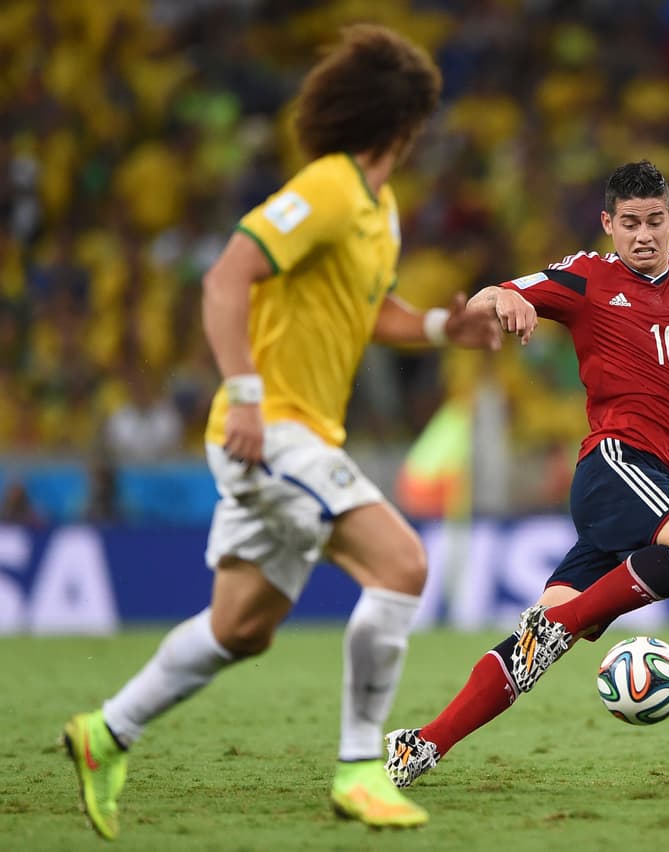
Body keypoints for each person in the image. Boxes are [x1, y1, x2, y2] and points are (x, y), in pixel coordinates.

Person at [61, 25, 499, 838]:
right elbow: (228, 274)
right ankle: (363, 767)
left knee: (242, 628)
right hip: (272, 432)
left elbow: (372, 313)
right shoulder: (329, 187)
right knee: (401, 564)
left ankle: (106, 732)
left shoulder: (379, 209)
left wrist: (447, 326)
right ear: (403, 122)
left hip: (302, 437)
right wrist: (250, 396)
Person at [384, 160, 669, 786]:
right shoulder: (586, 277)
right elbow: (490, 296)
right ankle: (557, 630)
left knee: (538, 641)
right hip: (616, 463)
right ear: (608, 224)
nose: (644, 235)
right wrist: (508, 296)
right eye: (630, 223)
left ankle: (419, 745)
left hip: (647, 490)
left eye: (655, 221)